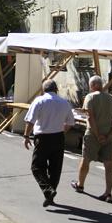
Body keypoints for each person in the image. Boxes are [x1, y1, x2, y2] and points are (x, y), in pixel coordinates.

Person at [23, 79, 75, 207]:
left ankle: (48, 190)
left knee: (37, 167)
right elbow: (70, 123)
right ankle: (50, 195)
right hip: (58, 137)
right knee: (55, 168)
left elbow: (30, 120)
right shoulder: (64, 103)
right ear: (56, 89)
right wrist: (60, 131)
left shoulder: (39, 100)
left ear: (43, 89)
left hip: (43, 138)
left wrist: (26, 136)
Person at [71, 75, 112, 202]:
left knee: (86, 159)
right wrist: (110, 134)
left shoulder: (90, 97)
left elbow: (89, 117)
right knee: (108, 164)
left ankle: (80, 184)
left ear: (92, 85)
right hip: (108, 135)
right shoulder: (111, 98)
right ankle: (108, 193)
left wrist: (97, 134)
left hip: (93, 134)